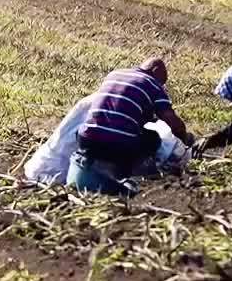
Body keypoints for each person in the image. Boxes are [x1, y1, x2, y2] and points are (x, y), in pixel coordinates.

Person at [67, 58, 195, 195]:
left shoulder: (114, 74)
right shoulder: (152, 84)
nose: (161, 86)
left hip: (86, 139)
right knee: (152, 138)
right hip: (118, 145)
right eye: (162, 82)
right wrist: (185, 139)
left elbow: (119, 109)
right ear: (155, 71)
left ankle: (98, 171)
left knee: (118, 137)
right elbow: (174, 123)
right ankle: (134, 177)